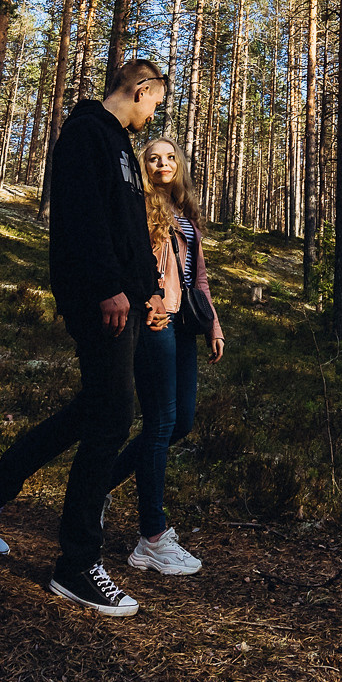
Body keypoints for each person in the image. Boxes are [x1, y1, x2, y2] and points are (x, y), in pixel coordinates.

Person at [0, 59, 168, 617]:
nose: (155, 113)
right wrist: (108, 287)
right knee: (113, 418)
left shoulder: (119, 143)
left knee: (92, 411)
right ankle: (76, 565)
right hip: (100, 300)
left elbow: (127, 229)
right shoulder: (86, 131)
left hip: (124, 300)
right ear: (140, 89)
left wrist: (149, 291)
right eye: (155, 102)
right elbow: (82, 218)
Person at [106, 136, 224, 576]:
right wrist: (147, 304)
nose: (163, 164)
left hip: (186, 323)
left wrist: (213, 325)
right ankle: (152, 537)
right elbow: (130, 264)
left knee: (182, 422)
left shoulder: (184, 211)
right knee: (160, 422)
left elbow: (200, 277)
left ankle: (97, 487)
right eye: (153, 159)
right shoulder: (139, 205)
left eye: (170, 157)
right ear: (144, 166)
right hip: (156, 320)